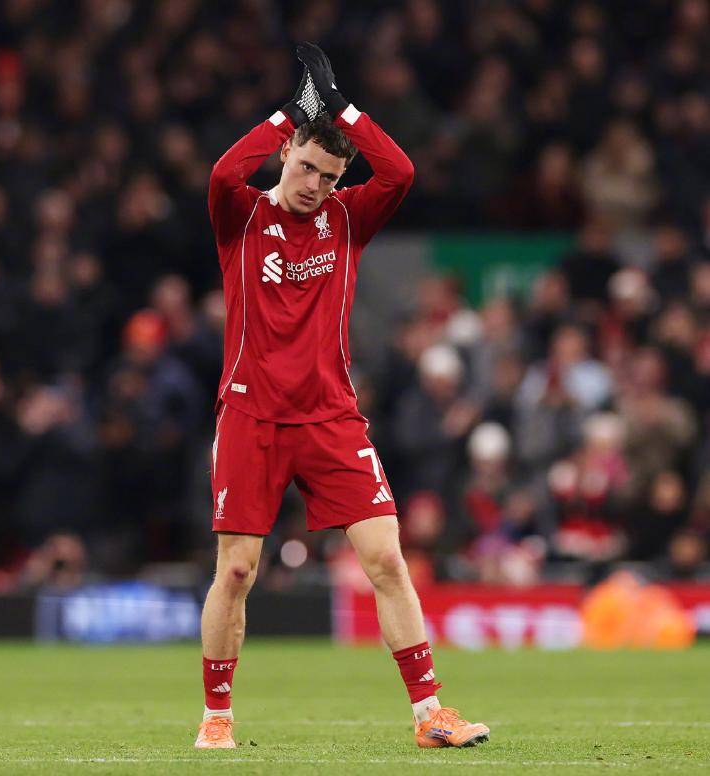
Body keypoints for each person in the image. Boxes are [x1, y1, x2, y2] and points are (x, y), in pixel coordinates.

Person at [196, 43, 489, 751]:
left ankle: (430, 715)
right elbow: (223, 171)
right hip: (252, 414)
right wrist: (287, 113)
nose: (315, 185)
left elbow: (402, 171)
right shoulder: (240, 217)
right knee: (237, 569)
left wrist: (342, 109)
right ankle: (217, 716)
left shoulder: (349, 219)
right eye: (306, 167)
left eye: (329, 177)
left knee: (387, 559)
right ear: (285, 154)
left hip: (331, 416)